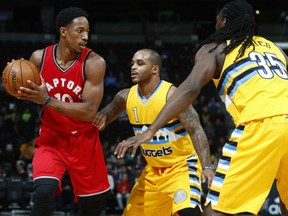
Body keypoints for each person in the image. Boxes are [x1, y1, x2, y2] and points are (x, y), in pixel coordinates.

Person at [114, 1, 288, 215]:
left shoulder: (215, 49)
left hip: (261, 123)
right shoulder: (275, 49)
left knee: (215, 209)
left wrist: (151, 130)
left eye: (216, 20)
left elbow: (190, 89)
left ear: (223, 21)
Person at [92, 48, 214, 215]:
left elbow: (196, 129)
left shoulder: (172, 95)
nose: (133, 67)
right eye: (132, 63)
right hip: (153, 171)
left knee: (188, 212)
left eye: (140, 63)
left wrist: (207, 166)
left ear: (155, 69)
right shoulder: (125, 97)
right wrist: (94, 121)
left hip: (182, 166)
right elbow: (103, 117)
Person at [17, 7, 112, 216]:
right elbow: (29, 95)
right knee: (43, 193)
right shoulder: (39, 58)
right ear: (63, 31)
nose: (86, 36)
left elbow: (88, 111)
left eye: (87, 31)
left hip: (84, 140)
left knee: (91, 209)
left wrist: (47, 100)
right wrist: (16, 84)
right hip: (51, 137)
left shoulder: (94, 63)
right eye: (80, 31)